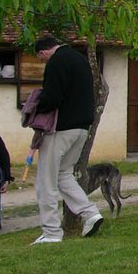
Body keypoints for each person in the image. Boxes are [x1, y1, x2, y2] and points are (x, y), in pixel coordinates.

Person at [30, 36, 104, 243]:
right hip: (81, 129)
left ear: (43, 52)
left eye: (41, 59)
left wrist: (37, 107)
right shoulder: (80, 59)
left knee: (46, 180)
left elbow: (52, 97)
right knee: (64, 174)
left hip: (60, 128)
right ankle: (90, 213)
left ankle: (52, 232)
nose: (44, 62)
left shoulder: (56, 61)